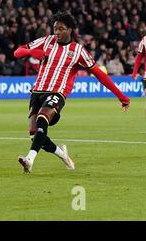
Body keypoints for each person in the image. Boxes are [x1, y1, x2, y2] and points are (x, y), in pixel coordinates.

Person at [14, 11, 130, 173]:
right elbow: (17, 52)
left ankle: (29, 160)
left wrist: (122, 96)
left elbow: (100, 74)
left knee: (42, 117)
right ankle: (63, 155)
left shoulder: (78, 51)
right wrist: (31, 52)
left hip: (57, 93)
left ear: (70, 30)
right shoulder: (47, 41)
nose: (57, 32)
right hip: (37, 92)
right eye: (55, 28)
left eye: (61, 29)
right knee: (35, 136)